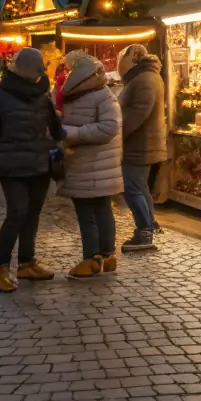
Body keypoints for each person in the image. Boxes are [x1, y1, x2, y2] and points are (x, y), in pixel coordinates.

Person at [0, 48, 63, 293]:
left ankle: (26, 263)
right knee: (17, 212)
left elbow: (55, 128)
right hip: (13, 164)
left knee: (32, 213)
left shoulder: (40, 95)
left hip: (38, 163)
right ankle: (0, 268)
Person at [56, 51, 122, 279]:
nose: (66, 74)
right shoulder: (81, 95)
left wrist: (71, 134)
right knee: (100, 208)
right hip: (86, 163)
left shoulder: (102, 96)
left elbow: (109, 128)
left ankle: (93, 258)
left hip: (93, 163)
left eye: (69, 69)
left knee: (90, 210)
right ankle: (105, 255)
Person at [116, 44, 166, 253]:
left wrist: (117, 133)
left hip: (140, 145)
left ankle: (144, 230)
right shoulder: (144, 77)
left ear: (133, 57)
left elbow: (138, 113)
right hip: (142, 144)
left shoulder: (144, 79)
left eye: (122, 57)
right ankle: (150, 223)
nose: (119, 63)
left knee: (132, 187)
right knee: (139, 186)